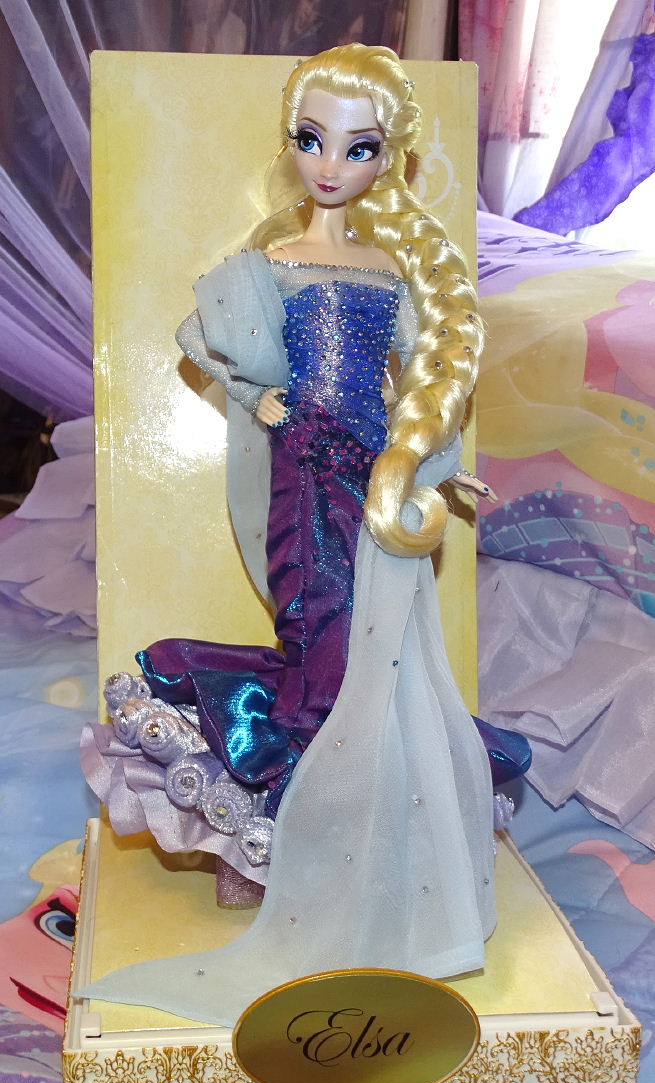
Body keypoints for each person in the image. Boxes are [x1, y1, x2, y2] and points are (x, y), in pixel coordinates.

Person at [81, 44, 512, 1027]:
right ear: (290, 144)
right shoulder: (266, 268)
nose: (330, 165)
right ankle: (294, 832)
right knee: (319, 637)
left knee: (377, 650)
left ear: (387, 159)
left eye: (358, 148)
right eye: (311, 140)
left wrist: (436, 468)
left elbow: (414, 391)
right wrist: (255, 397)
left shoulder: (390, 275)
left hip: (373, 483)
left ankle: (359, 842)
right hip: (302, 484)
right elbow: (205, 341)